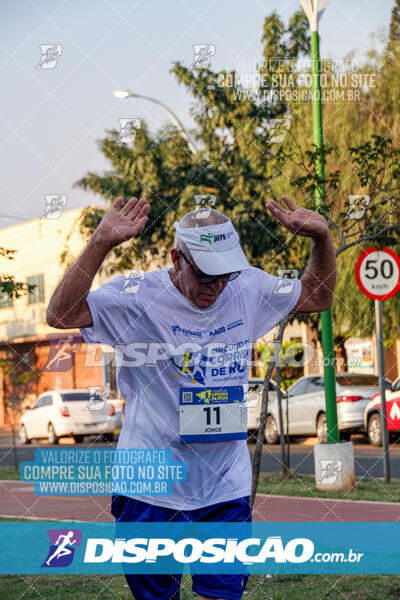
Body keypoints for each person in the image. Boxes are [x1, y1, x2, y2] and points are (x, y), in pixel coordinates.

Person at [47, 195, 336, 600]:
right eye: (205, 278)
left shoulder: (247, 287)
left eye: (224, 277)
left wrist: (322, 238)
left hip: (224, 487)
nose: (216, 288)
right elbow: (60, 315)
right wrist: (100, 243)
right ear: (177, 260)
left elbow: (318, 296)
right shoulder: (136, 296)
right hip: (150, 486)